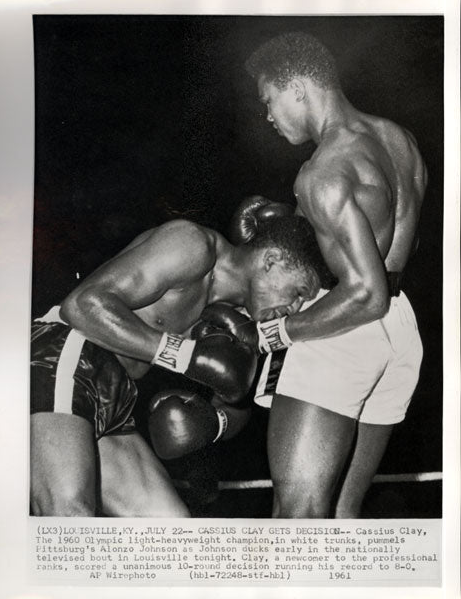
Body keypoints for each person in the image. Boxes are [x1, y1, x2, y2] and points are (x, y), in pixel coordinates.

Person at [30, 212, 330, 517]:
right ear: (273, 260)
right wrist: (183, 355)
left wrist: (212, 422)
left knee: (173, 533)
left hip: (117, 397)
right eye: (298, 292)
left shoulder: (238, 321)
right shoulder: (192, 245)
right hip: (68, 354)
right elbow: (82, 306)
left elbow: (237, 401)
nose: (294, 308)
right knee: (66, 514)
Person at [243, 32, 427, 518]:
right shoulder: (397, 139)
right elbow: (375, 235)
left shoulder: (322, 171)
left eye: (269, 100)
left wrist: (278, 332)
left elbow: (365, 293)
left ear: (298, 88)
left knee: (297, 517)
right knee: (342, 523)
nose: (267, 115)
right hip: (402, 330)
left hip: (348, 327)